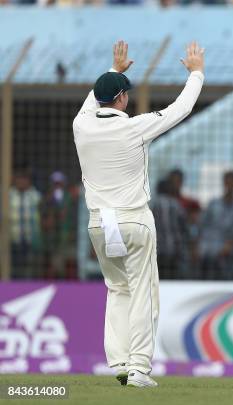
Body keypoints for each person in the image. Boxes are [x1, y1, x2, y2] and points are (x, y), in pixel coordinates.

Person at [73, 40, 204, 388]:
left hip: (100, 224)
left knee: (117, 288)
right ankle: (139, 368)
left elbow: (93, 101)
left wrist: (114, 71)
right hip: (132, 220)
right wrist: (196, 73)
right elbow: (181, 109)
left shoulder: (81, 125)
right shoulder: (134, 127)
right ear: (121, 99)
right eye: (124, 94)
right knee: (143, 291)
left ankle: (117, 360)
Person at [198, 170, 233, 279]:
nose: (230, 186)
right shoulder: (213, 203)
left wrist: (229, 244)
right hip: (206, 246)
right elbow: (202, 224)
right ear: (224, 183)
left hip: (226, 248)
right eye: (227, 183)